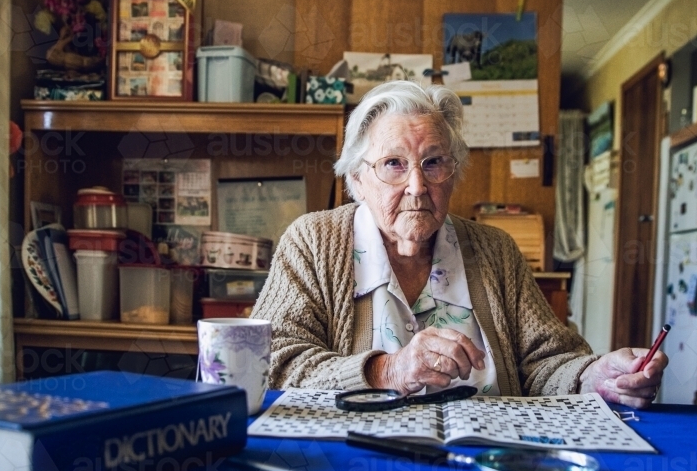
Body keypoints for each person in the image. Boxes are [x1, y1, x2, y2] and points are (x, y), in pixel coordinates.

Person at [252, 81, 666, 408]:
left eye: (434, 162)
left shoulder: (495, 250)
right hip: (358, 458)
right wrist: (389, 370)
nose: (417, 185)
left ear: (454, 172)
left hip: (491, 456)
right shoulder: (312, 241)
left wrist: (595, 376)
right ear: (357, 180)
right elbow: (270, 362)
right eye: (393, 164)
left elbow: (545, 363)